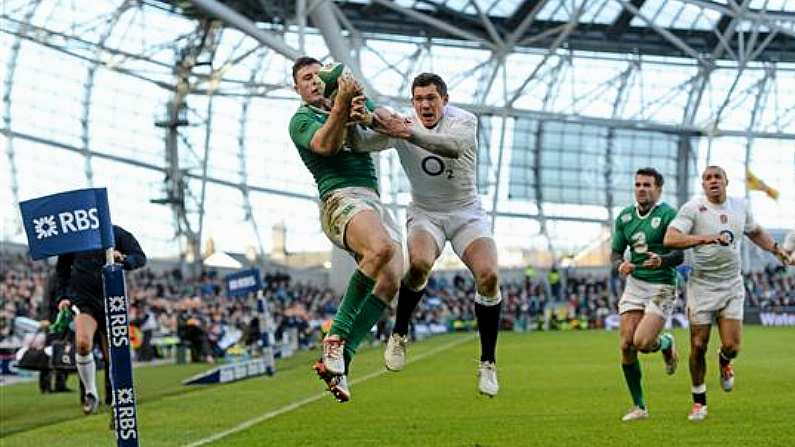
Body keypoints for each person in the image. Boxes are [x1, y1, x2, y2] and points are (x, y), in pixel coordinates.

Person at [347, 72, 502, 396]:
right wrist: (352, 117)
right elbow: (360, 143)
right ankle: (399, 333)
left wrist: (406, 132)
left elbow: (453, 148)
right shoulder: (401, 123)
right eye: (419, 99)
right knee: (418, 264)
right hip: (425, 213)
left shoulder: (463, 121)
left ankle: (488, 362)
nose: (425, 105)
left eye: (431, 98)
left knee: (488, 275)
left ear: (444, 100)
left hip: (466, 212)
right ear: (412, 101)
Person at [288, 56, 406, 403]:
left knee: (392, 279)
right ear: (296, 88)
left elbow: (389, 125)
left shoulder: (347, 97)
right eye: (305, 78)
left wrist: (367, 109)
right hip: (340, 198)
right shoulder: (301, 119)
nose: (312, 82)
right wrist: (341, 104)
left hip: (372, 200)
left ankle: (342, 363)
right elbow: (326, 145)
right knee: (380, 250)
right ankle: (335, 337)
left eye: (316, 76)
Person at [664, 165, 789, 421]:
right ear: (703, 184)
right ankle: (699, 402)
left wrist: (777, 249)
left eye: (717, 177)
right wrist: (705, 238)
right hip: (701, 286)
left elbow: (755, 231)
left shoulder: (739, 206)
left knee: (732, 346)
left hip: (732, 284)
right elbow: (671, 238)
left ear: (726, 182)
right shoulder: (693, 208)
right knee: (698, 346)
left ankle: (724, 361)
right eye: (707, 178)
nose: (712, 181)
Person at [610, 168, 683, 421]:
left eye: (647, 185)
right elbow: (616, 253)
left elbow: (679, 255)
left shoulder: (669, 215)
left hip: (663, 285)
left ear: (658, 189)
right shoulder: (625, 217)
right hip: (636, 284)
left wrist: (662, 260)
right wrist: (621, 264)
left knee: (642, 343)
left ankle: (666, 343)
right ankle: (639, 407)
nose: (642, 188)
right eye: (638, 184)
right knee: (626, 346)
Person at [55, 225, 146, 415]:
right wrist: (62, 296)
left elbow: (140, 257)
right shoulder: (74, 236)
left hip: (112, 299)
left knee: (112, 354)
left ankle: (116, 397)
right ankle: (90, 393)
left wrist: (125, 259)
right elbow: (62, 270)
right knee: (82, 344)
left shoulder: (117, 233)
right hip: (83, 299)